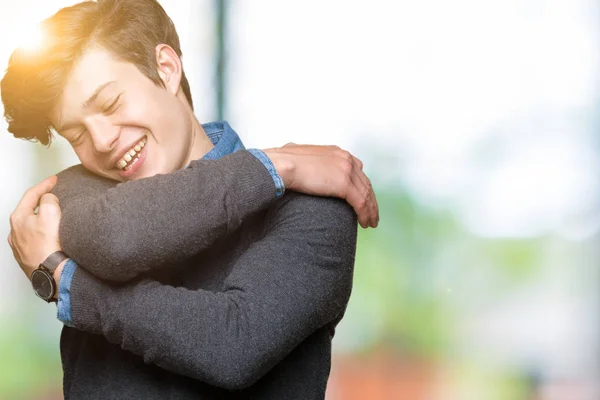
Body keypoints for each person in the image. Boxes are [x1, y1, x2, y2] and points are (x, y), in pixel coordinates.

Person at [4, 0, 379, 398]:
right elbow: (115, 238)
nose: (101, 140)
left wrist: (71, 285)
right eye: (77, 134)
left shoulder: (313, 207)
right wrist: (274, 166)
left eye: (111, 104)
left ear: (166, 69)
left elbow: (233, 346)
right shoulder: (76, 195)